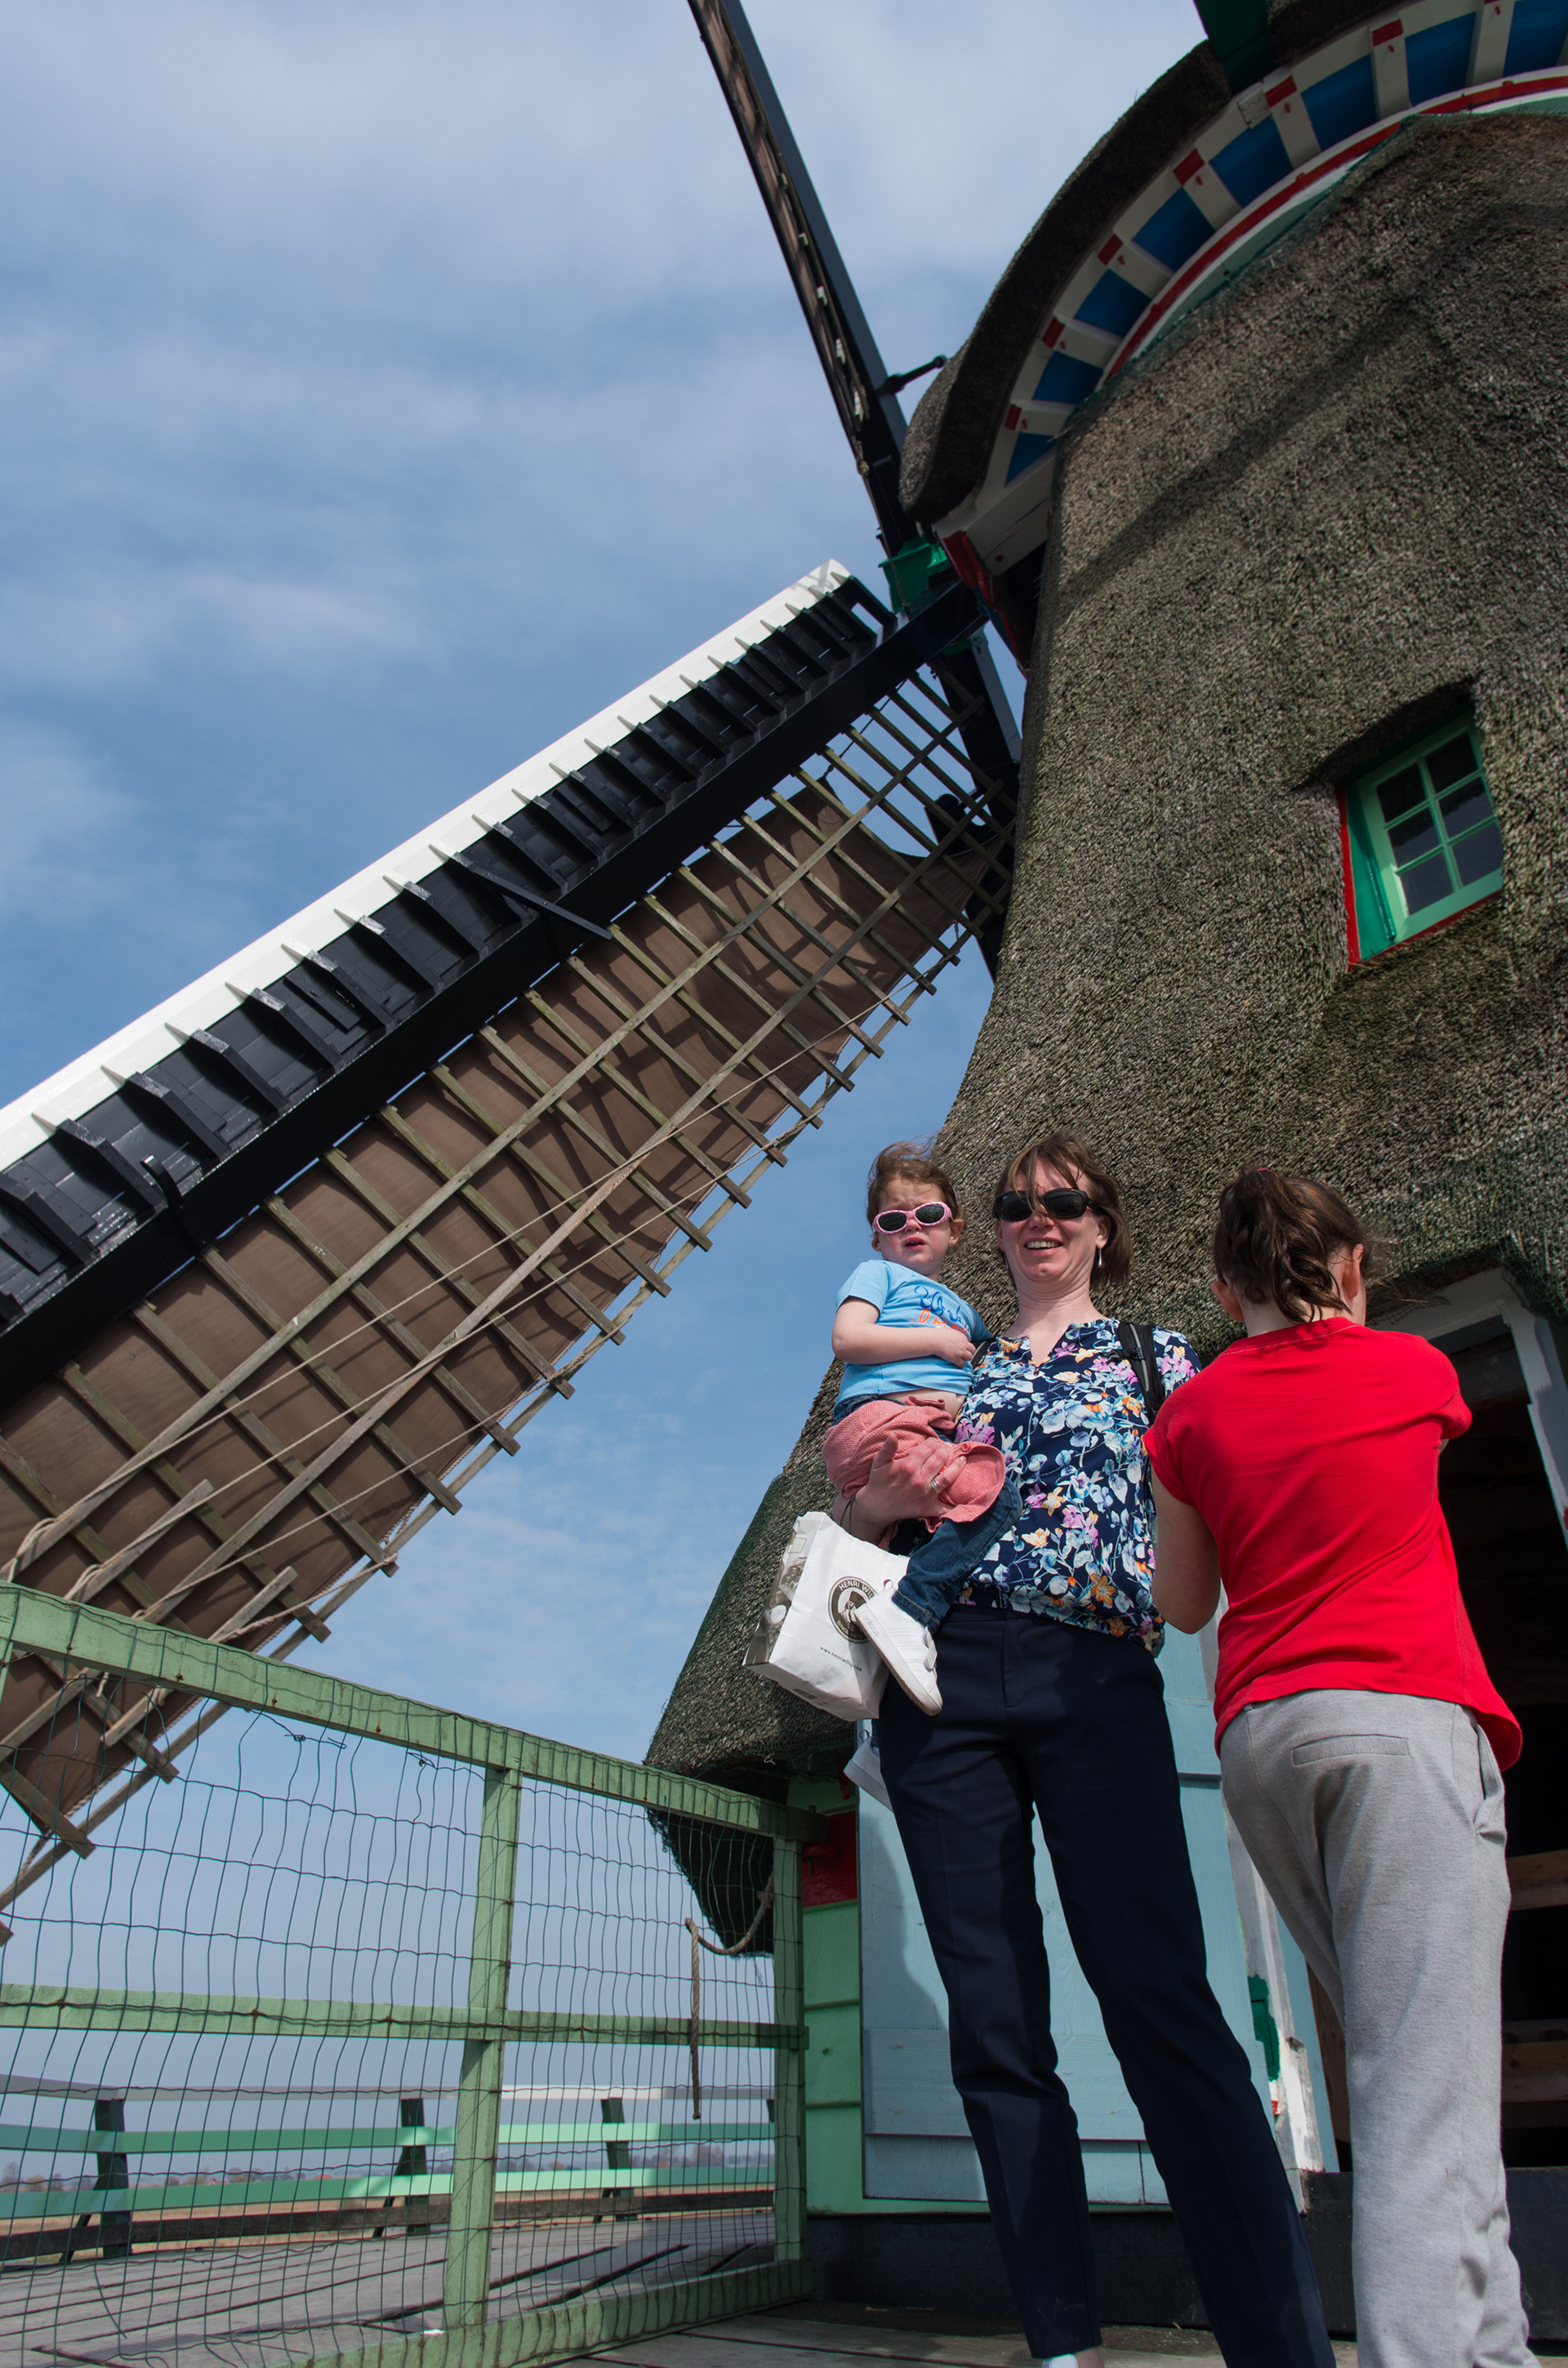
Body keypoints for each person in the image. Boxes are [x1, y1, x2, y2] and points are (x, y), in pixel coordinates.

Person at [846, 1134, 1333, 2368]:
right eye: (1016, 1202)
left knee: (1157, 1992)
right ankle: (1063, 2341)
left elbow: (1243, 1494)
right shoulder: (947, 1364)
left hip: (1094, 1670)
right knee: (995, 2022)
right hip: (942, 1684)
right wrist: (881, 1496)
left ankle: (1279, 2341)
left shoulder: (1157, 1357)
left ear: (1103, 1225)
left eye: (1064, 1201)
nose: (1039, 1217)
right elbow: (861, 1503)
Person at [1146, 1166, 1533, 2368]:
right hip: (1400, 1715)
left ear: (1225, 1290)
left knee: (1412, 2060)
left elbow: (1184, 1601)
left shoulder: (1189, 1417)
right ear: (1354, 1264)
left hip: (1267, 1737)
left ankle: (1496, 2347)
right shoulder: (1413, 1372)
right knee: (1425, 2080)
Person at [825, 1143, 1022, 1713]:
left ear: (954, 1229)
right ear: (877, 1237)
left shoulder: (962, 1309)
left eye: (928, 1214)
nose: (912, 1226)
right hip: (883, 1417)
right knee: (997, 1497)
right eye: (894, 1220)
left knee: (918, 1532)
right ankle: (910, 1611)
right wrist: (935, 1341)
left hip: (924, 1427)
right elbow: (848, 1338)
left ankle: (880, 1730)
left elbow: (991, 1356)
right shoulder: (877, 1274)